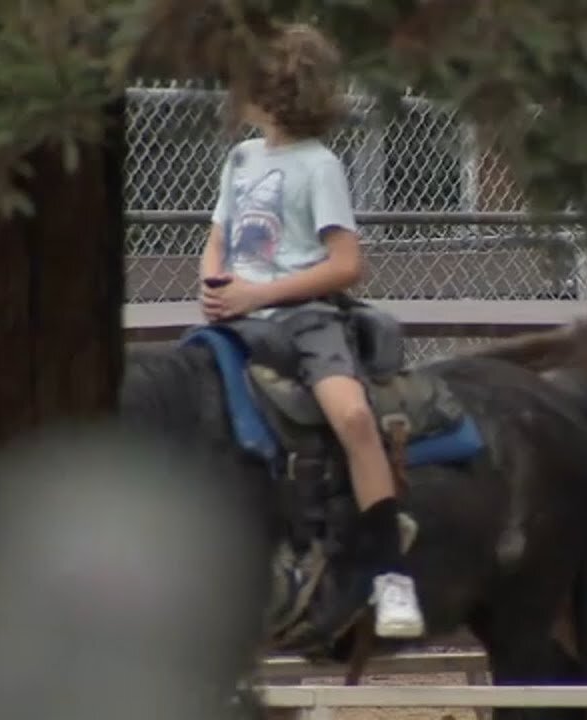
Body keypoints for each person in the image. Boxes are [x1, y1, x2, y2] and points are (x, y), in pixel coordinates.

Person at [198, 23, 425, 638]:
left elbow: (347, 263)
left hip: (302, 317)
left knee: (352, 417)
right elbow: (218, 235)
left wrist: (259, 293)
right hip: (237, 319)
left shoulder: (319, 166)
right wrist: (214, 282)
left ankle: (392, 575)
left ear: (277, 87)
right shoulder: (240, 158)